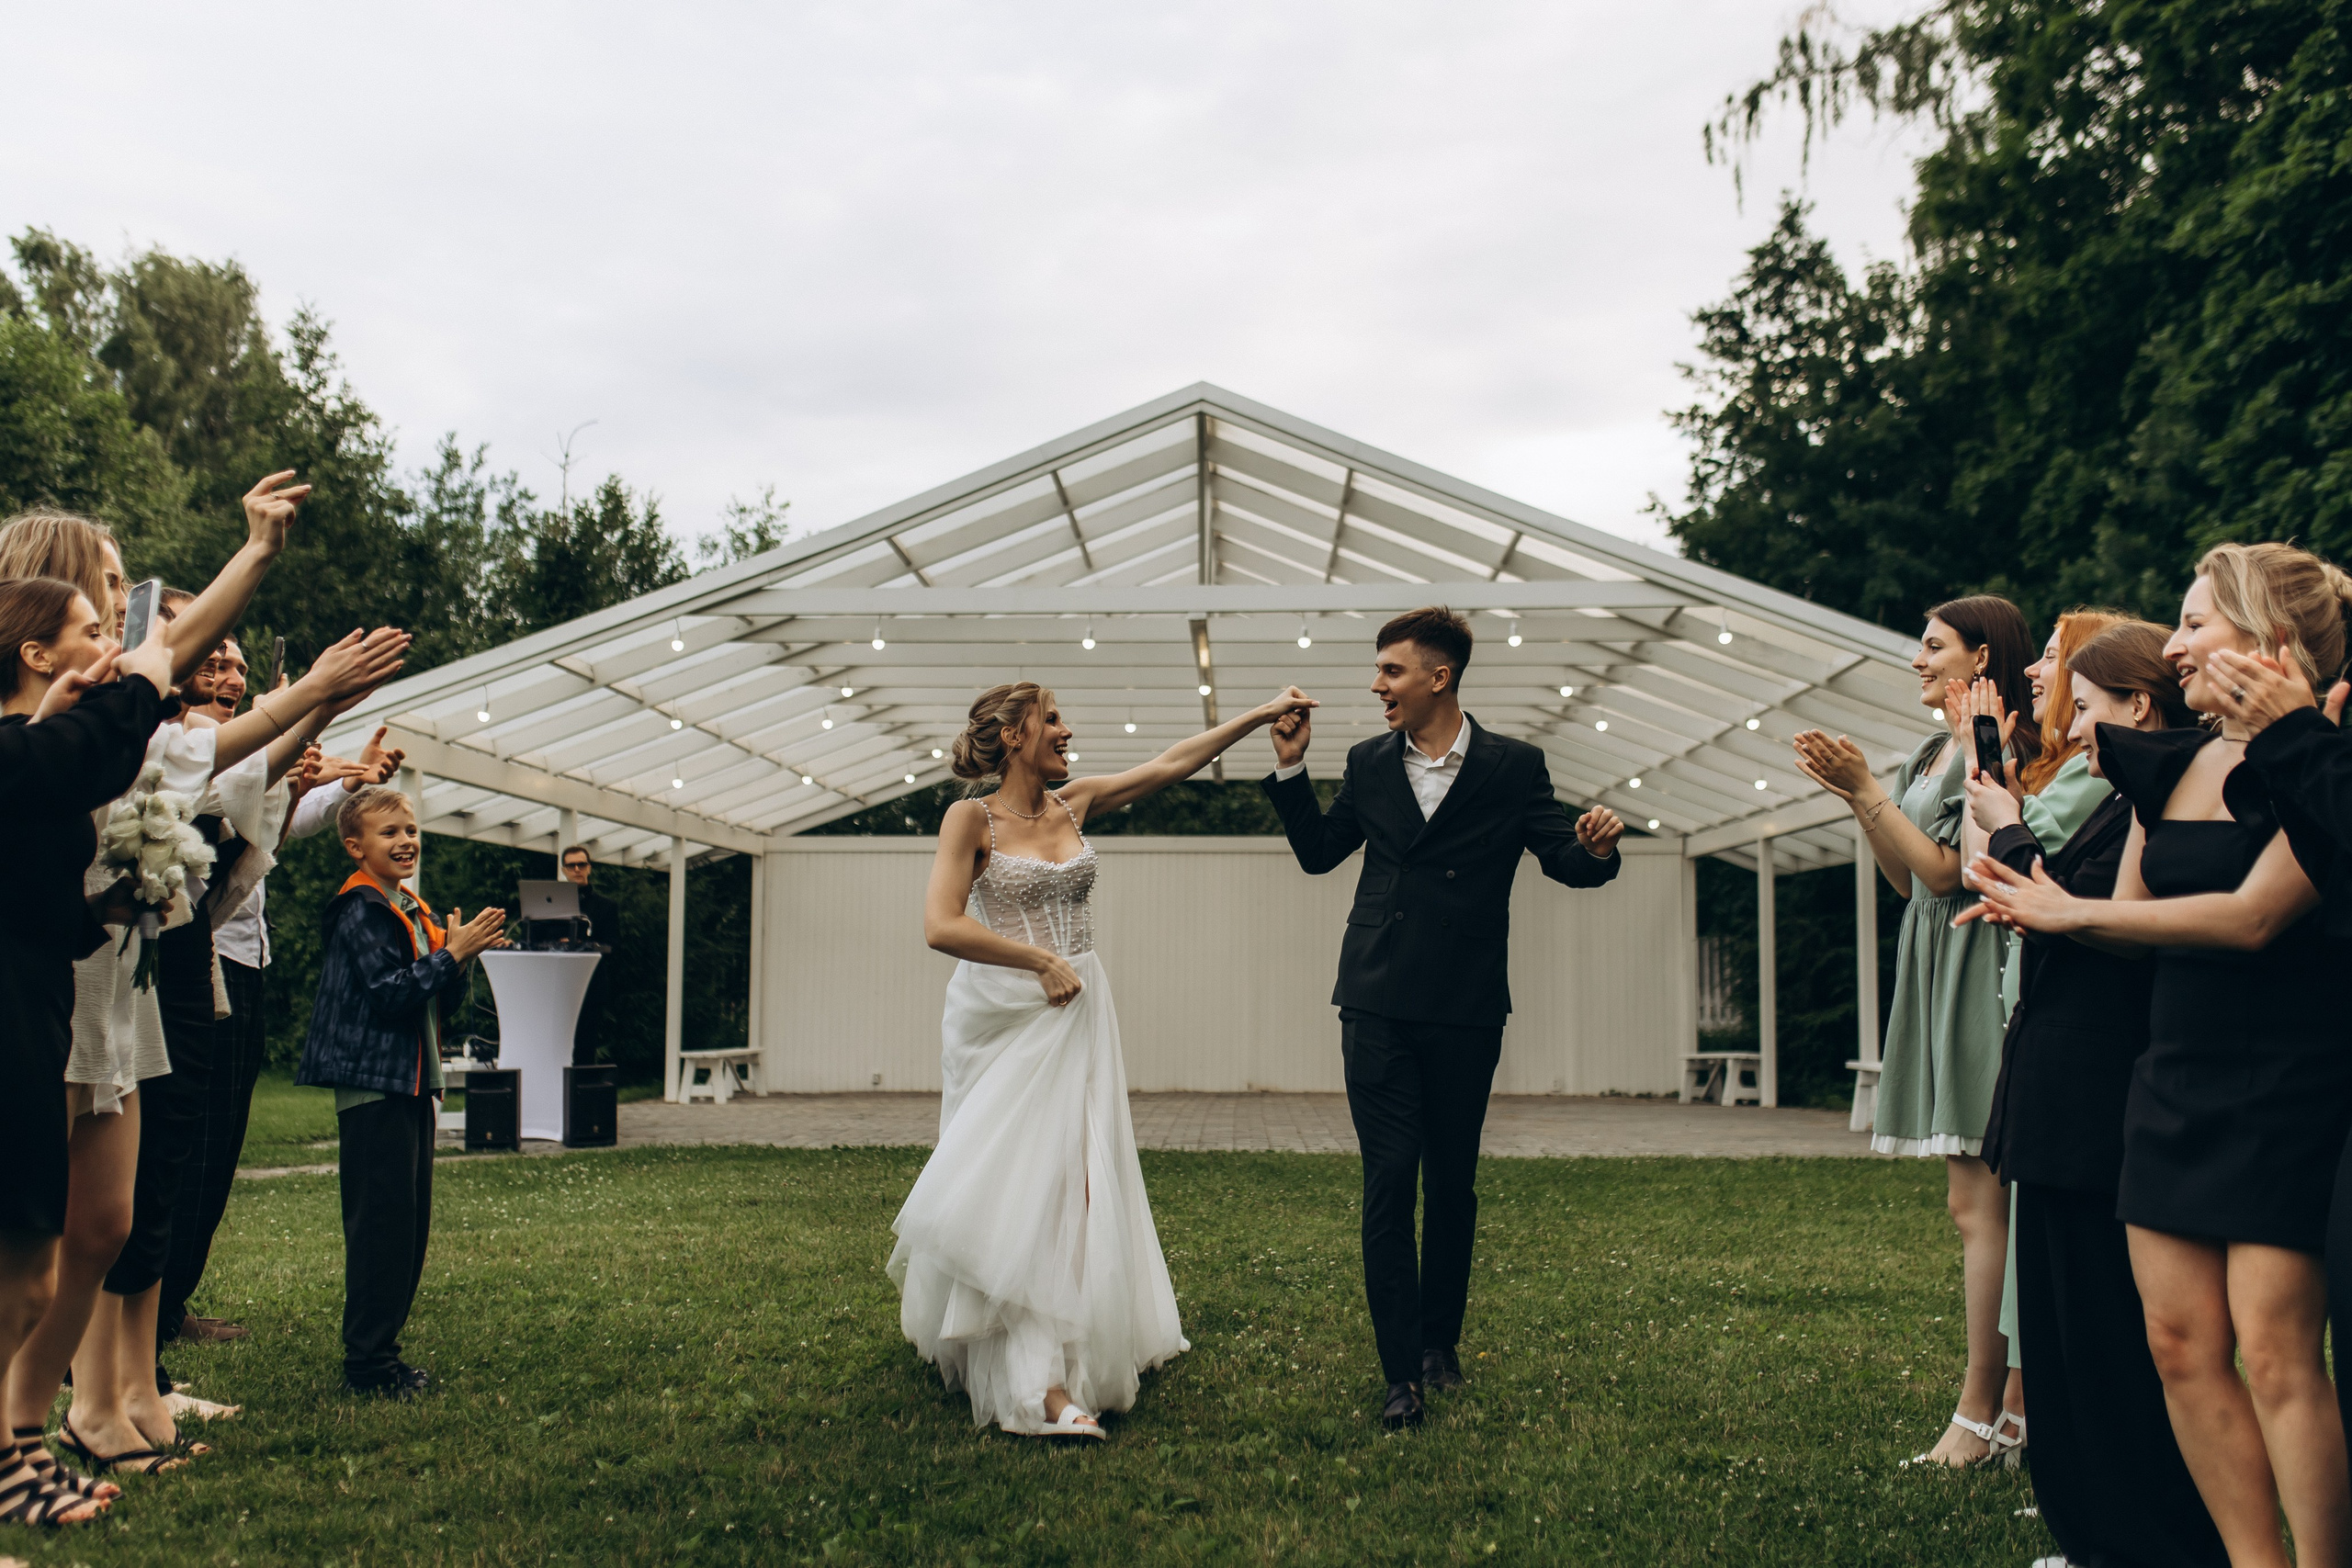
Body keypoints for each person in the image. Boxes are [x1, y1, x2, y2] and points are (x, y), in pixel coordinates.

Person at [1972, 543, 2352, 1566]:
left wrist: (2062, 910)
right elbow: (2130, 919)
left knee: (2275, 1355)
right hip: (2169, 1076)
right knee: (2179, 1346)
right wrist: (2037, 902)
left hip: (2283, 1081)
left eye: (2195, 623)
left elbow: (2252, 919)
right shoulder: (2174, 763)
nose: (2173, 643)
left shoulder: (2318, 765)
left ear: (2266, 637)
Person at [892, 679, 1316, 1438]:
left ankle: (1078, 1343)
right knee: (1027, 1188)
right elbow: (939, 923)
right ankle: (1039, 1387)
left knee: (1084, 1185)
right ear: (1014, 735)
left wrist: (1255, 718)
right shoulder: (970, 818)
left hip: (1083, 1009)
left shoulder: (1073, 803)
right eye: (1051, 718)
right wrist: (1038, 962)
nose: (1066, 728)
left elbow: (1171, 764)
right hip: (1012, 1014)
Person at [1259, 606, 1624, 1431]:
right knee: (1389, 1181)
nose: (1377, 684)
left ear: (1439, 676)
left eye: (1391, 670)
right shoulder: (1365, 761)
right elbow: (1321, 851)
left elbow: (1562, 857)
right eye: (1379, 670)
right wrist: (1291, 772)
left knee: (1450, 1181)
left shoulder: (1513, 765)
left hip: (1464, 1007)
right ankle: (1400, 1377)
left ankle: (1438, 1346)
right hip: (1376, 999)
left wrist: (1595, 848)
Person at [1959, 622, 2225, 1568]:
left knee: (2099, 1332)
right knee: (2069, 1330)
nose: (2062, 711)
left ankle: (2125, 1537)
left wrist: (2010, 835)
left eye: (2087, 698)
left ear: (2136, 708)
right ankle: (2091, 1532)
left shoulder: (2155, 792)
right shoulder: (2122, 791)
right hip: (2062, 1078)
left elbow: (2103, 919)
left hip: (2097, 1081)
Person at [1792, 594, 2038, 1467]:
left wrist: (1864, 789)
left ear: (1982, 659)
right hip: (1933, 962)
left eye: (1932, 647)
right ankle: (2009, 1405)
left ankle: (1985, 1408)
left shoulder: (1999, 749)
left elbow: (1946, 874)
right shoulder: (1931, 750)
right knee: (1972, 1202)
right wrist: (1864, 797)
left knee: (1981, 1203)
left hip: (1976, 970)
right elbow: (1903, 876)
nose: (1917, 660)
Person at [0, 580, 173, 1529]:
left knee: (30, 1262)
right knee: (16, 1263)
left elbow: (32, 890)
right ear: (33, 653)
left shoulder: (26, 749)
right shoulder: (16, 753)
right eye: (88, 626)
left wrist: (102, 910)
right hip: (11, 1012)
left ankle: (11, 1456)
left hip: (33, 1000)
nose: (109, 635)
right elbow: (94, 752)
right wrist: (144, 672)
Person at [160, 716, 404, 1349]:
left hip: (245, 960)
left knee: (219, 1144)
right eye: (215, 661)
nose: (229, 675)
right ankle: (152, 1307)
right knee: (190, 1142)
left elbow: (280, 818)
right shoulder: (181, 747)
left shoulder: (243, 747)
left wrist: (353, 783)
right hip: (196, 954)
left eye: (238, 667)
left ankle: (169, 1299)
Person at [296, 785, 507, 1396]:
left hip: (411, 1083)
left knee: (408, 1226)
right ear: (355, 846)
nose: (406, 840)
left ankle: (382, 1351)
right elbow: (389, 994)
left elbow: (436, 998)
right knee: (380, 1228)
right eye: (390, 832)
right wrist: (450, 956)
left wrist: (458, 960)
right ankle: (366, 1363)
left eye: (411, 828)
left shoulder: (410, 905)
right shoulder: (360, 908)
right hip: (373, 1085)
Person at [558, 845, 619, 1066]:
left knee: (585, 1047)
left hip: (590, 986)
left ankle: (581, 1096)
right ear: (564, 870)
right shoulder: (552, 905)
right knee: (558, 1044)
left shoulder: (606, 906)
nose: (576, 869)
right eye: (571, 865)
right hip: (557, 986)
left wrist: (584, 945)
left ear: (589, 868)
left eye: (581, 864)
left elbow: (613, 945)